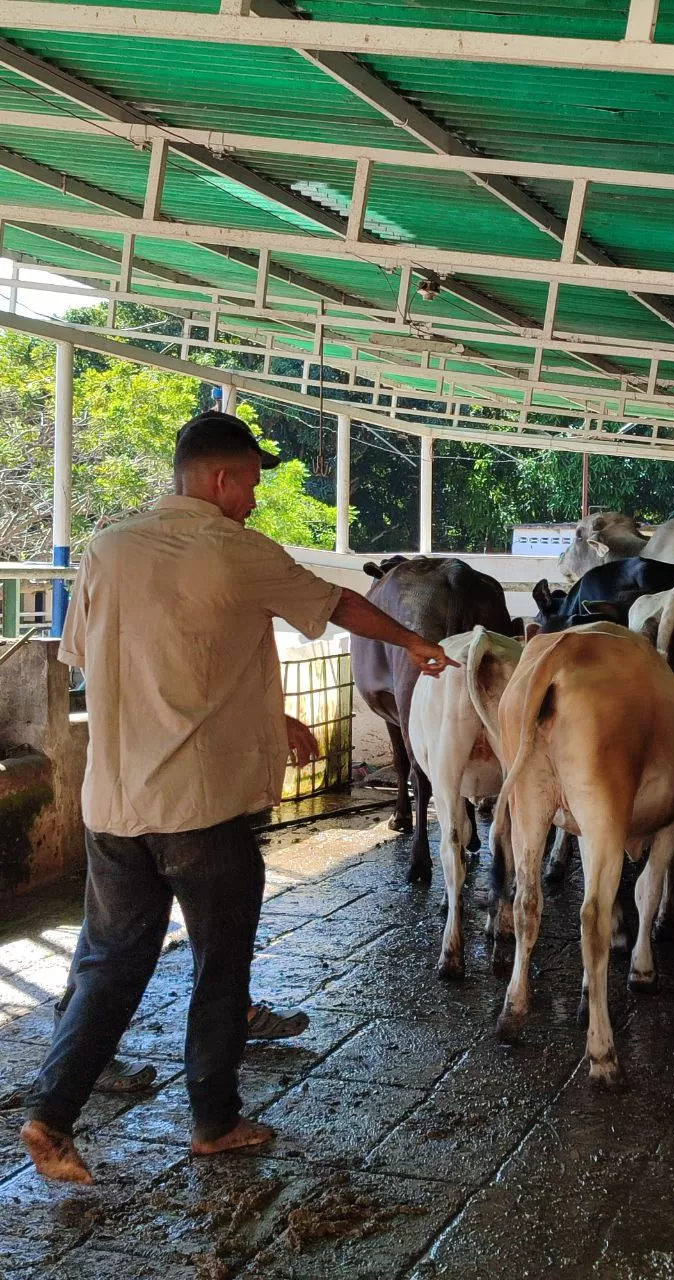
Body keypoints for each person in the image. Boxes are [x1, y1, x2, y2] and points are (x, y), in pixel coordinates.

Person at [20, 410, 458, 1184]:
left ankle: (51, 1117)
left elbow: (99, 656)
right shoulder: (236, 549)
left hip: (113, 807)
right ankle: (214, 1122)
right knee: (220, 966)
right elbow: (338, 604)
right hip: (201, 813)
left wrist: (269, 711)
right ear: (221, 479)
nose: (254, 499)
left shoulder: (107, 547)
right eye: (251, 483)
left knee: (109, 963)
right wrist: (416, 643)